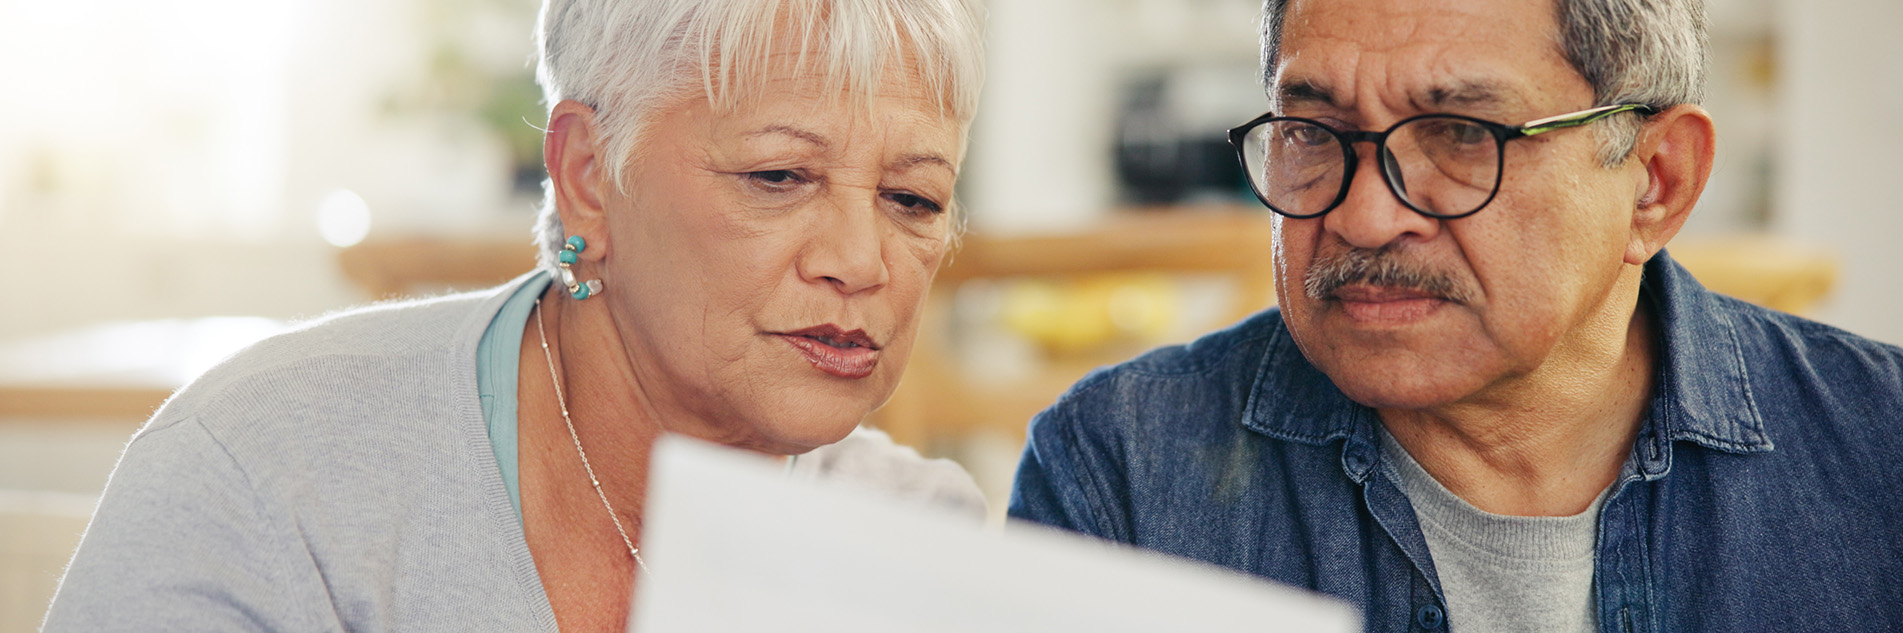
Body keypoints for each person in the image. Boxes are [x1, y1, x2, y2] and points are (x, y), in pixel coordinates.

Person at [44, 0, 986, 631]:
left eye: (912, 199)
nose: (861, 261)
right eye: (778, 176)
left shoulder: (923, 542)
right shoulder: (270, 467)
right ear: (586, 178)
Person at [1010, 0, 1903, 630]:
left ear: (1655, 182)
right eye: (1311, 132)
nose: (1361, 217)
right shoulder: (1117, 474)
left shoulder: (1880, 451)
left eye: (1459, 135)